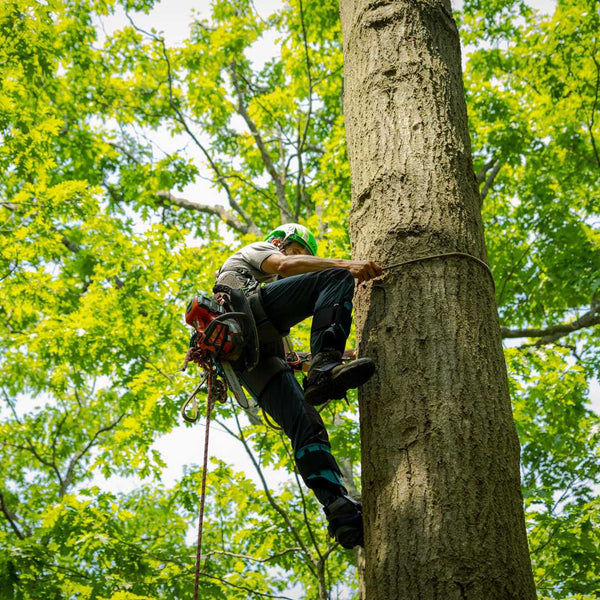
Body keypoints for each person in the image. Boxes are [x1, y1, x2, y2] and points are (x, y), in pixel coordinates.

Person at [213, 223, 382, 548]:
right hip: (246, 314)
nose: (300, 261)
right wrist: (346, 265)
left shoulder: (274, 308)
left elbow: (293, 360)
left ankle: (339, 509)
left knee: (307, 424)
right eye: (300, 252)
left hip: (249, 357)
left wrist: (344, 355)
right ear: (282, 242)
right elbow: (284, 266)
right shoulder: (261, 249)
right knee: (335, 278)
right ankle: (324, 369)